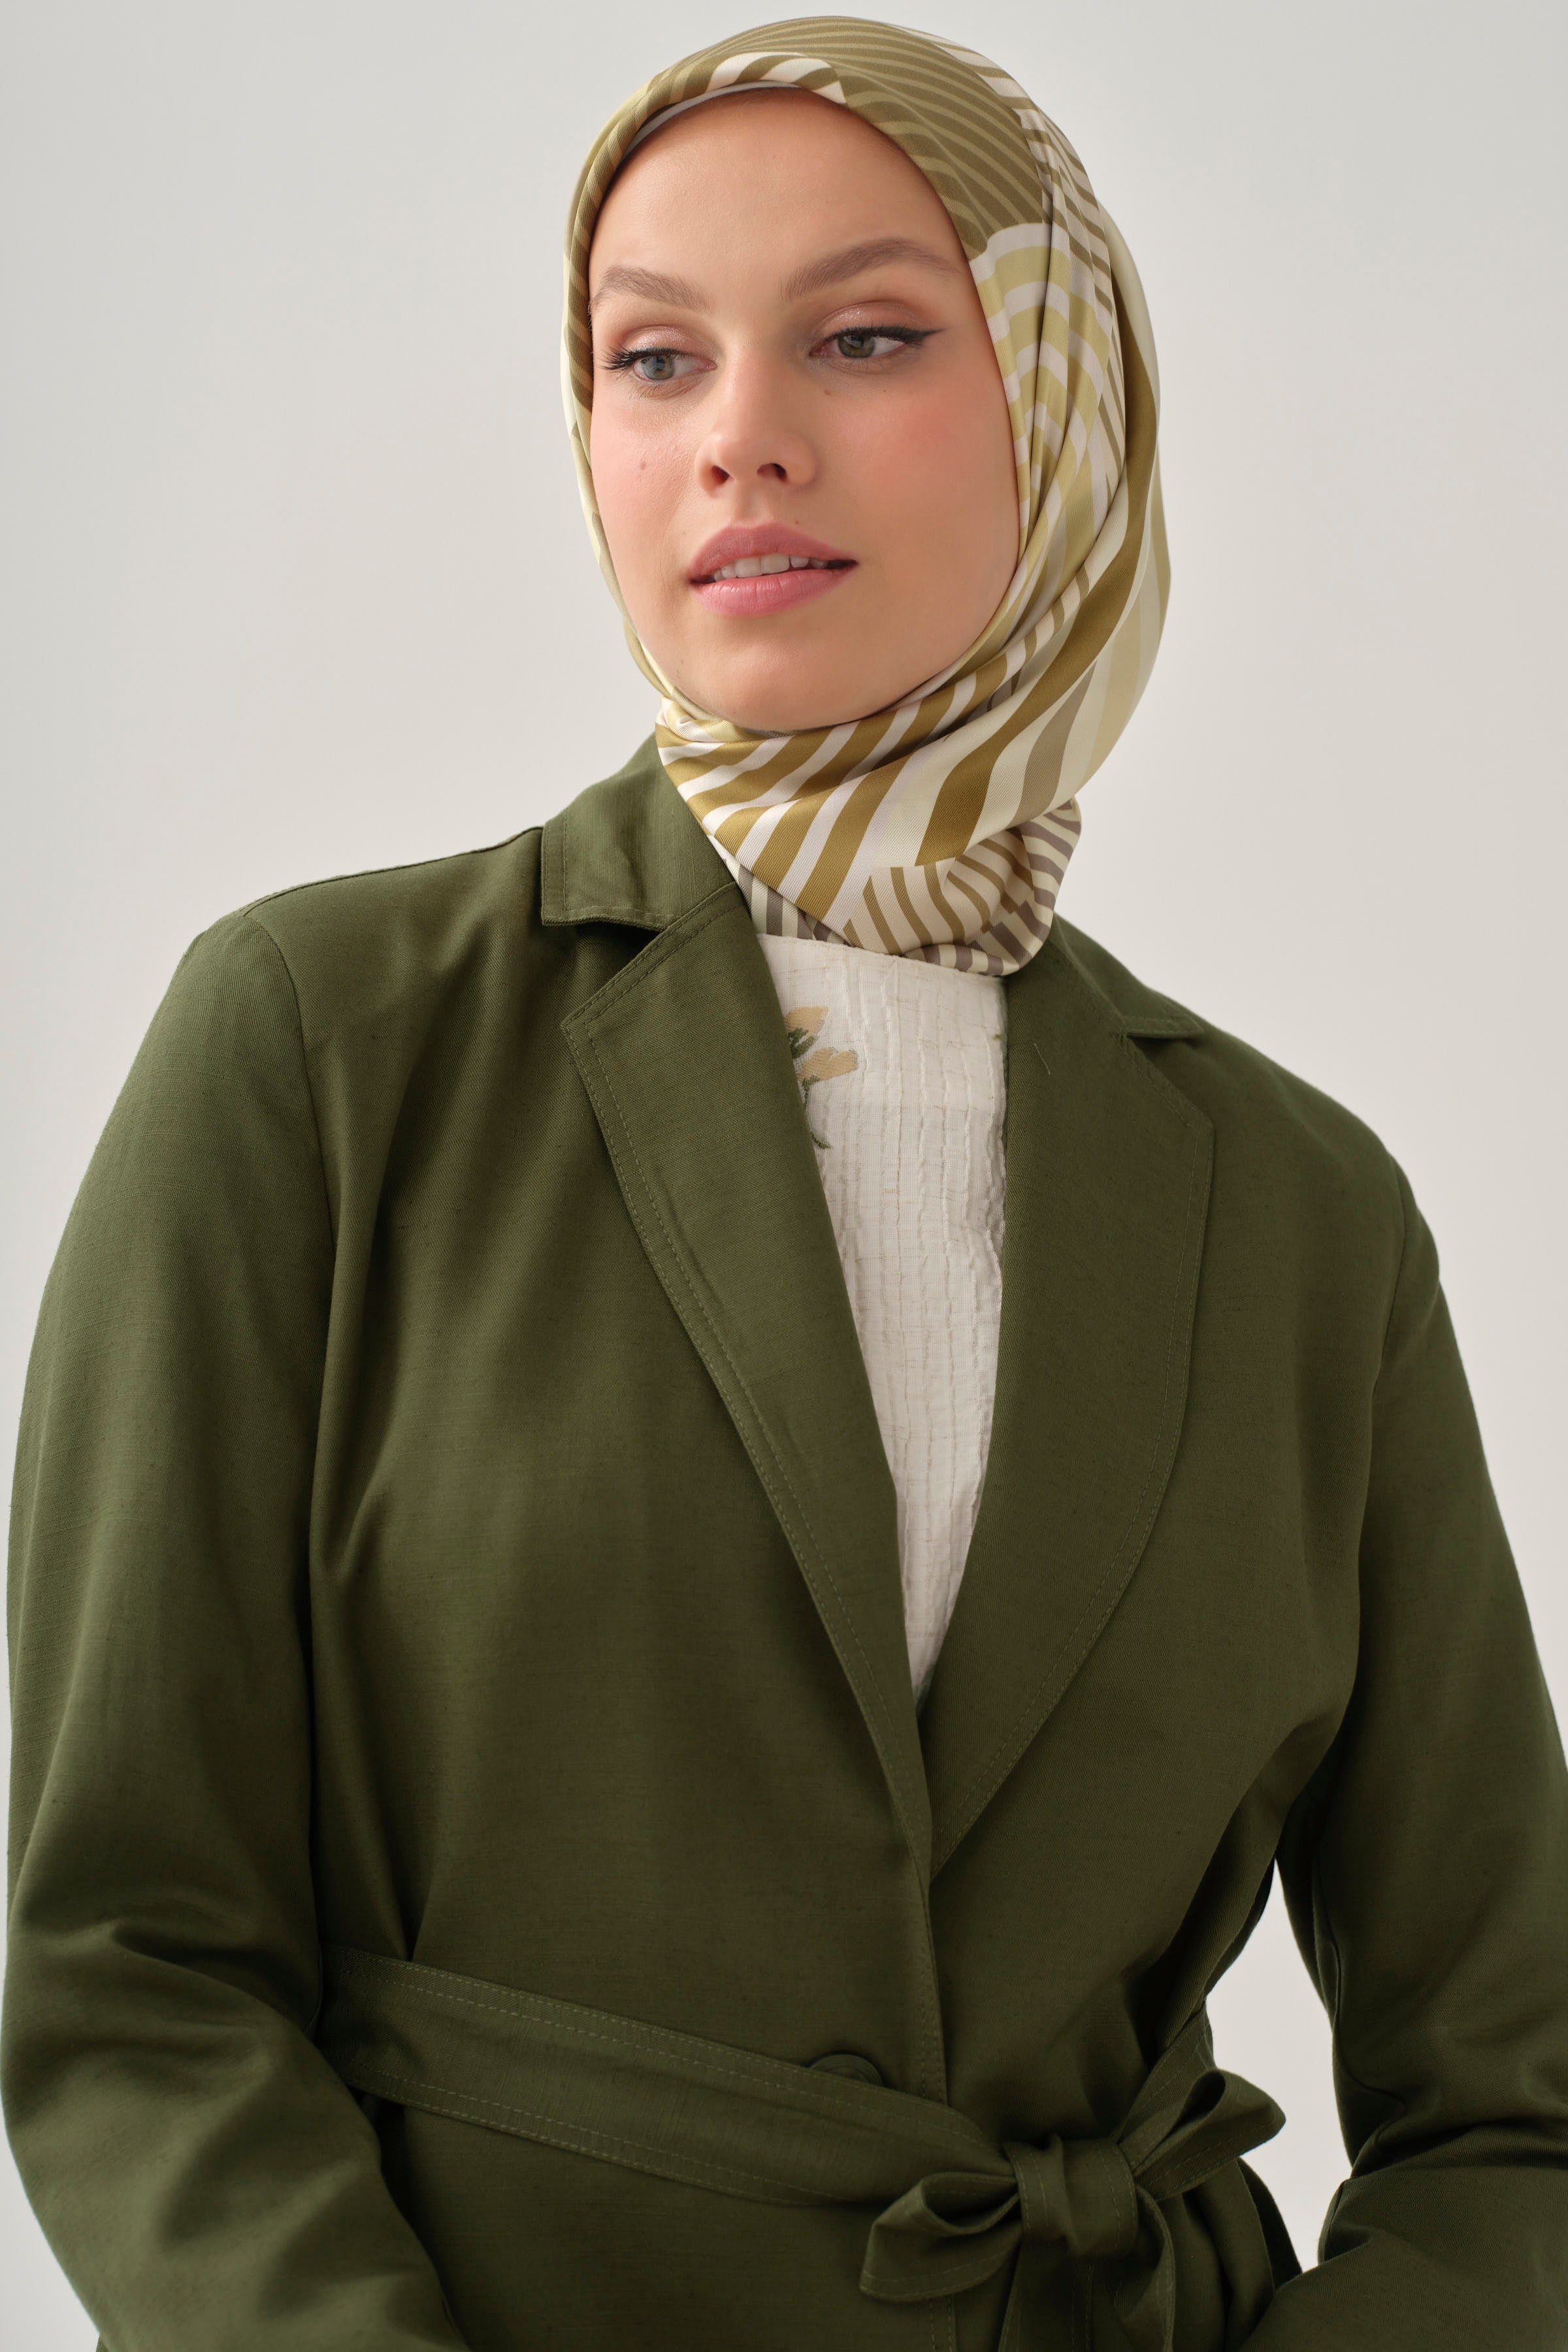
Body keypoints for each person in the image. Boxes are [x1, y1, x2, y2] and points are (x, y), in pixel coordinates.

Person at [5, 17, 1566, 2351]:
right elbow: (131, 1969)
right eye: (654, 357)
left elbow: (1515, 2108)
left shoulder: (1307, 1215)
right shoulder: (318, 1049)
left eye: (865, 335)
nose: (738, 430)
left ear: (1064, 400)